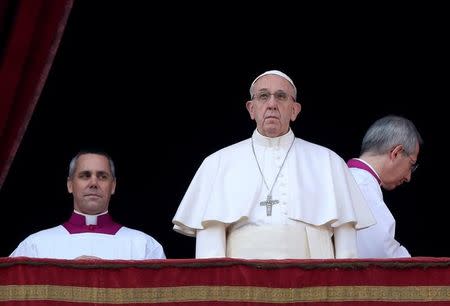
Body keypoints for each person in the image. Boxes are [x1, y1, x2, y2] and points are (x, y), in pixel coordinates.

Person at [172, 69, 375, 259]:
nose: (272, 104)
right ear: (251, 109)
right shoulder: (217, 163)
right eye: (263, 96)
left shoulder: (328, 162)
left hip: (312, 279)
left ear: (294, 110)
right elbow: (210, 245)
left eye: (281, 96)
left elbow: (346, 247)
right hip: (243, 281)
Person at [10, 150, 166, 260]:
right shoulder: (34, 246)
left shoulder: (145, 246)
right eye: (85, 176)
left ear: (113, 186)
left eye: (102, 176)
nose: (93, 183)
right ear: (70, 184)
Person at [347, 115, 422, 258]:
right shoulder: (362, 186)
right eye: (411, 165)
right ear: (396, 152)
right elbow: (381, 254)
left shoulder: (349, 177)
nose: (408, 177)